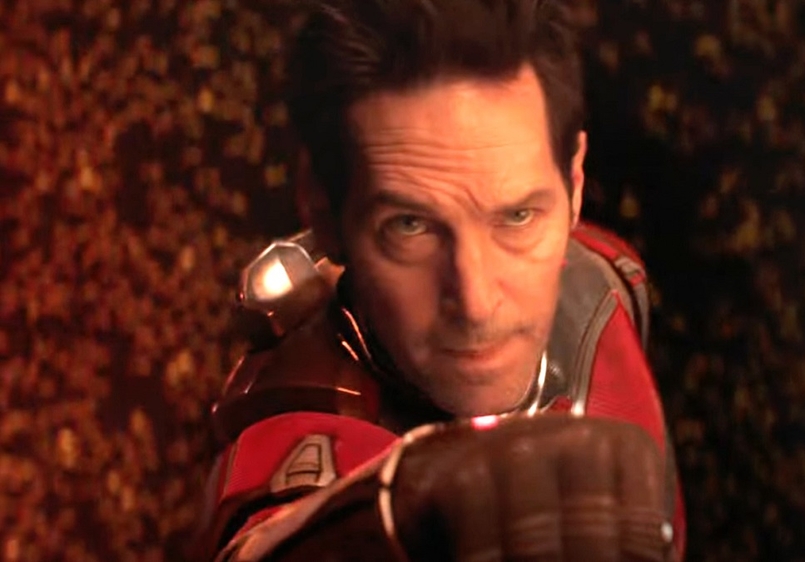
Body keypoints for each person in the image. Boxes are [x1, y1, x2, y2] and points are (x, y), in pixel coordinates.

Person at [195, 0, 686, 560]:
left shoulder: (605, 280)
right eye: (410, 226)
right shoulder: (303, 407)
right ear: (324, 212)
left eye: (518, 217)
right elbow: (260, 538)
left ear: (573, 186)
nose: (475, 302)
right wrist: (380, 520)